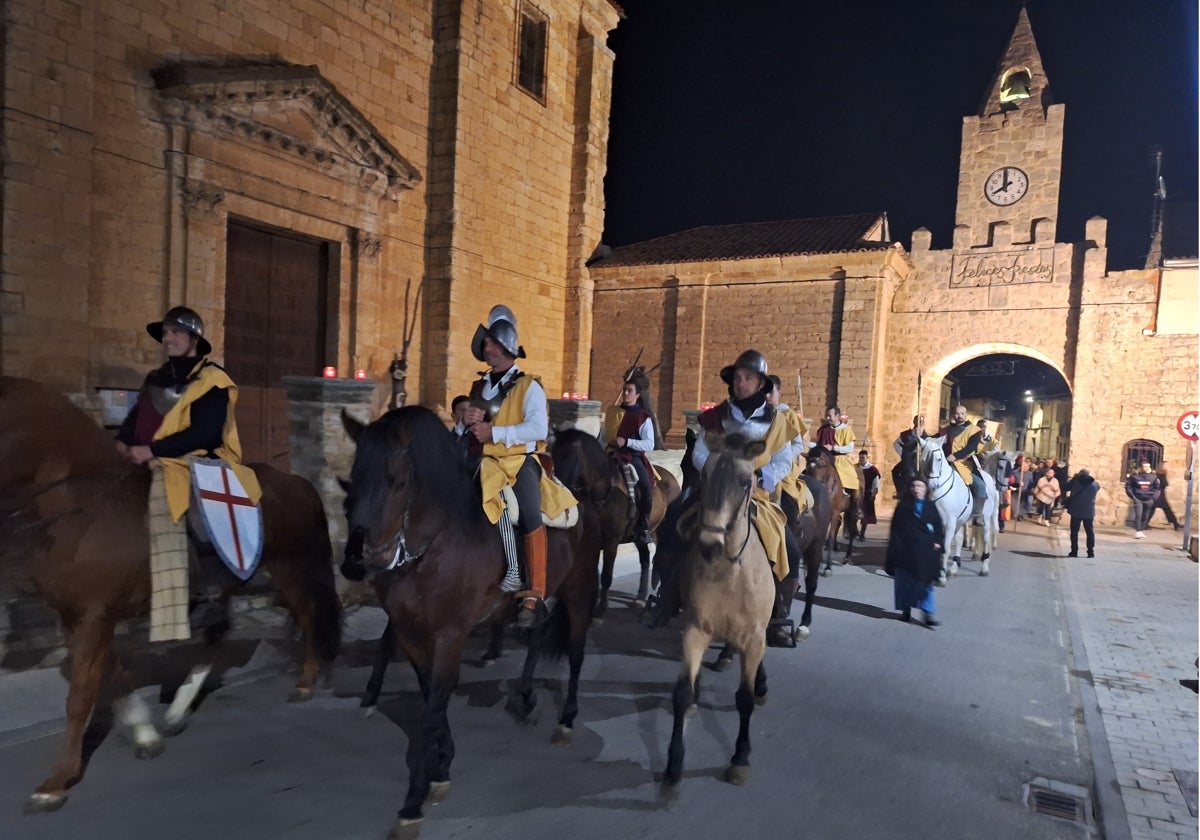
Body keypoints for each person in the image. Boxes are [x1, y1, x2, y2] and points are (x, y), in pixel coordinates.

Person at [464, 304, 570, 626]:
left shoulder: (529, 387)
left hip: (518, 461)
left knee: (527, 512)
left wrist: (495, 432)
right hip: (482, 459)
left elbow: (538, 430)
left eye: (493, 344)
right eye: (486, 344)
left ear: (508, 347)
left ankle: (534, 591)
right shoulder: (479, 386)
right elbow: (470, 429)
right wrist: (463, 422)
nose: (488, 349)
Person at [694, 350, 802, 646]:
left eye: (748, 377)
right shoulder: (718, 416)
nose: (741, 383)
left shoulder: (777, 422)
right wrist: (718, 474)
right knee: (675, 521)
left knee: (788, 549)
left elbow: (783, 459)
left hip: (757, 494)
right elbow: (701, 452)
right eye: (738, 377)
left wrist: (759, 477)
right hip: (717, 490)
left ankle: (777, 611)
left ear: (761, 384)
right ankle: (669, 595)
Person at [115, 305, 260, 518]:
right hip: (142, 458)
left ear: (194, 339)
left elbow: (205, 435)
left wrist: (152, 450)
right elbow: (137, 415)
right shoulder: (157, 377)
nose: (168, 339)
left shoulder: (213, 379)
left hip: (192, 462)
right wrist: (122, 441)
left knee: (162, 506)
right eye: (165, 333)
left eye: (176, 332)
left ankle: (173, 551)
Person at [602, 371, 656, 542]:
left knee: (646, 487)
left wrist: (627, 442)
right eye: (624, 390)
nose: (625, 393)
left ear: (637, 394)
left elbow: (649, 444)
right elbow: (603, 435)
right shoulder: (612, 411)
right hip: (609, 454)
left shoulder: (642, 417)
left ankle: (643, 527)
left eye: (629, 390)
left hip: (632, 457)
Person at [884, 477, 944, 627]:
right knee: (905, 581)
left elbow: (938, 527)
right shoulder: (903, 506)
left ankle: (928, 613)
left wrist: (938, 542)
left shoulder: (931, 506)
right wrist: (894, 547)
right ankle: (905, 608)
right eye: (913, 486)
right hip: (906, 550)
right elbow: (895, 529)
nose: (916, 488)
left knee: (925, 582)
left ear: (925, 489)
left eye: (920, 486)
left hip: (925, 550)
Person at [938, 404, 987, 523]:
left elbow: (971, 447)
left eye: (962, 413)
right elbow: (934, 439)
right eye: (957, 413)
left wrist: (955, 456)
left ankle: (977, 514)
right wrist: (920, 434)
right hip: (945, 463)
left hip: (965, 465)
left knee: (980, 485)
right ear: (953, 415)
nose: (959, 416)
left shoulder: (974, 430)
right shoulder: (945, 430)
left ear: (966, 415)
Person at [815, 405, 859, 535]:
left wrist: (834, 448)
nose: (828, 418)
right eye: (827, 415)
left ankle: (855, 508)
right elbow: (818, 445)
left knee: (854, 482)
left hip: (840, 460)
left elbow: (849, 448)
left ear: (837, 416)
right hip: (824, 460)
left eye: (830, 415)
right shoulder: (823, 430)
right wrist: (807, 445)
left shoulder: (846, 430)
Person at [1064, 469, 1100, 557]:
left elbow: (1065, 487)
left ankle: (1074, 551)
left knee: (1074, 531)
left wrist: (1073, 478)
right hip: (1089, 510)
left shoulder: (1075, 482)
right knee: (1089, 531)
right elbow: (1097, 488)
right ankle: (1090, 552)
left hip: (1076, 510)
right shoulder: (1095, 484)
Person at [891, 414, 926, 498]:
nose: (918, 423)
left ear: (923, 423)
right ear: (913, 421)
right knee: (895, 471)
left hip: (920, 460)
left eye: (920, 421)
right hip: (908, 460)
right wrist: (903, 455)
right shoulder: (906, 434)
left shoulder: (926, 435)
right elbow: (896, 444)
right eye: (917, 421)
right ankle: (899, 491)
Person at [1124, 462, 1162, 539]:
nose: (1146, 468)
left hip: (1149, 499)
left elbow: (1157, 488)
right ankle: (1138, 531)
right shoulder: (1134, 477)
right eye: (1144, 466)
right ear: (1141, 468)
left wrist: (1153, 498)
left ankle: (1141, 530)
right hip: (1138, 498)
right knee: (1138, 515)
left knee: (1146, 516)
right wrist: (1133, 496)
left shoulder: (1154, 477)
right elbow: (1128, 486)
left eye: (1148, 466)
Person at [1151, 459, 1182, 530]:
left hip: (1159, 495)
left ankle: (1175, 523)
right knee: (1167, 510)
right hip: (1159, 495)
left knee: (1153, 510)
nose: (1168, 467)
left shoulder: (1160, 474)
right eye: (1167, 465)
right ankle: (1175, 523)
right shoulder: (1160, 475)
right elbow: (1164, 484)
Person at [857, 450, 881, 540]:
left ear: (867, 458)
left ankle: (862, 534)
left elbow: (876, 483)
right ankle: (853, 531)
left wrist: (873, 494)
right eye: (860, 457)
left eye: (863, 457)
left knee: (865, 515)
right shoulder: (855, 467)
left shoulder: (873, 469)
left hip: (867, 494)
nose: (861, 459)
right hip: (856, 494)